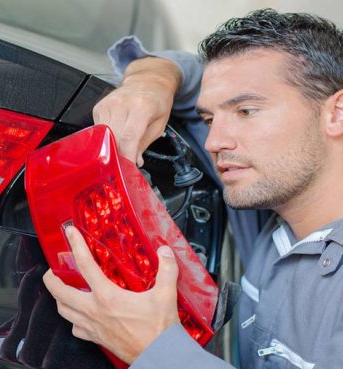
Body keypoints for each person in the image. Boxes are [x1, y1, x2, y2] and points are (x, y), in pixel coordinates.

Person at [43, 9, 343, 368]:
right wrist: (150, 81)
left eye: (246, 111)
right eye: (210, 119)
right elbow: (187, 74)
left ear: (336, 113)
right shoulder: (269, 211)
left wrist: (155, 350)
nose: (215, 141)